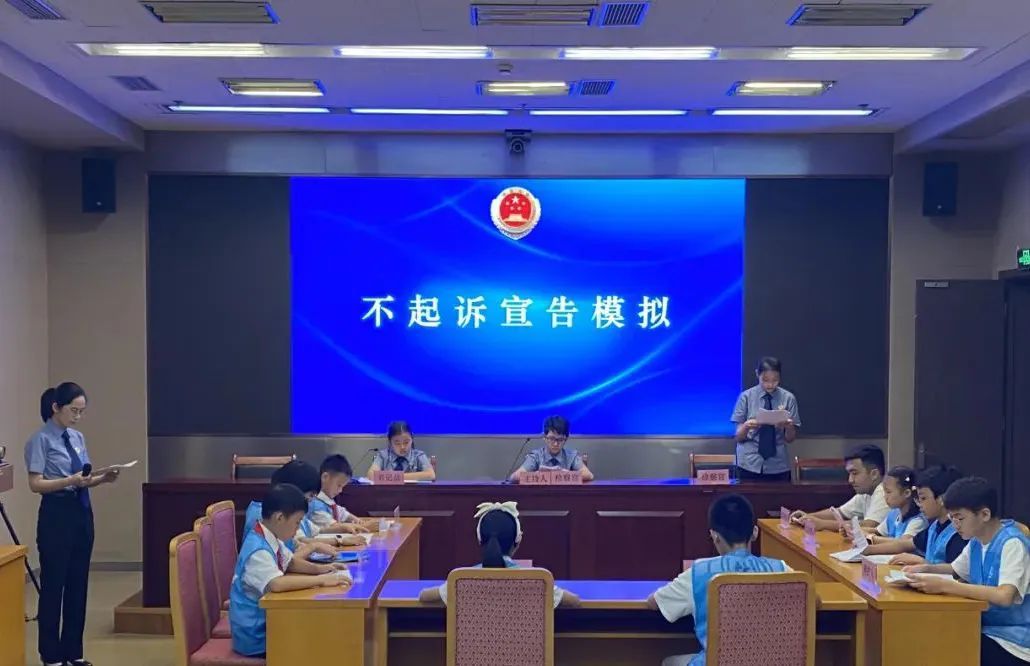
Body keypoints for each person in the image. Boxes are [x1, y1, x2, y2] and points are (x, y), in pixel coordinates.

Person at [25, 383, 121, 666]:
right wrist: (70, 480)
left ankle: (73, 652)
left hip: (81, 511)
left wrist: (103, 478)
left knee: (78, 584)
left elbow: (83, 478)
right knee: (54, 585)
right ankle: (51, 655)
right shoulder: (40, 440)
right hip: (56, 513)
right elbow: (35, 484)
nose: (77, 417)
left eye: (82, 411)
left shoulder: (77, 437)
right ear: (56, 407)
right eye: (73, 410)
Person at [647, 494, 789, 666]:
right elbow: (811, 600)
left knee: (669, 662)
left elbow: (654, 602)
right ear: (754, 532)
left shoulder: (699, 572)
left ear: (715, 536)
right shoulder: (782, 569)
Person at [903, 477, 1030, 666]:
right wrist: (925, 568)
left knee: (947, 648)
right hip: (987, 628)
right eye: (952, 518)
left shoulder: (1012, 543)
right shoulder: (976, 541)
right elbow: (955, 570)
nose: (955, 524)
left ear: (984, 514)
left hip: (1015, 641)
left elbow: (1005, 596)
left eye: (960, 518)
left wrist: (946, 586)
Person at [230, 484, 352, 657]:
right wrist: (322, 581)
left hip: (269, 622)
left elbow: (291, 563)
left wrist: (323, 569)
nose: (298, 527)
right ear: (280, 518)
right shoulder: (257, 549)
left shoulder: (269, 536)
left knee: (323, 632)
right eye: (297, 522)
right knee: (320, 640)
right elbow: (276, 584)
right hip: (256, 635)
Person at [418, 501, 580, 608]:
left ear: (480, 539)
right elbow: (574, 601)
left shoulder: (461, 580)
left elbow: (425, 596)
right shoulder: (536, 581)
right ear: (517, 541)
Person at [243, 460, 366, 550]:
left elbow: (317, 530)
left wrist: (343, 529)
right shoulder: (265, 514)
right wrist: (340, 541)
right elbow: (299, 541)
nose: (311, 501)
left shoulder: (292, 509)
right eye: (310, 496)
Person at [731, 357, 800, 481]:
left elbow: (790, 439)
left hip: (778, 464)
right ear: (757, 374)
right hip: (748, 463)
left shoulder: (788, 398)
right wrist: (746, 426)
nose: (770, 384)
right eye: (765, 380)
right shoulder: (746, 397)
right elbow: (738, 437)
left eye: (775, 380)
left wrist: (788, 426)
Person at [789, 444, 888, 532]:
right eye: (849, 474)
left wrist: (822, 524)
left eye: (855, 473)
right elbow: (839, 513)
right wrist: (808, 516)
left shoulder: (884, 492)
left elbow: (868, 526)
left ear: (874, 474)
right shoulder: (866, 492)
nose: (850, 480)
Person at [890, 465, 967, 566]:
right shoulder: (934, 526)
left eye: (923, 498)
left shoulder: (958, 533)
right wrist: (870, 548)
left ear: (941, 499)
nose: (920, 504)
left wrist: (922, 562)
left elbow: (955, 571)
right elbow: (906, 544)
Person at [861, 466, 927, 555]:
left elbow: (902, 543)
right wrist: (857, 531)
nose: (885, 496)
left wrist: (871, 538)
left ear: (907, 493)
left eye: (888, 492)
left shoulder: (918, 521)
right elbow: (877, 531)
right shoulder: (894, 513)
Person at [510, 415, 594, 482]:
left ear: (566, 439)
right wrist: (539, 475)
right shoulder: (536, 456)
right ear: (544, 437)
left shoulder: (572, 456)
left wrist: (565, 474)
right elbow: (514, 477)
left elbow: (589, 475)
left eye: (560, 439)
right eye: (552, 438)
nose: (556, 443)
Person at [308, 454, 375, 533]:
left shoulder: (329, 502)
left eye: (342, 487)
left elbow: (343, 513)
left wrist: (358, 521)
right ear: (325, 477)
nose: (340, 490)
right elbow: (333, 526)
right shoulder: (315, 505)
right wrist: (364, 526)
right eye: (339, 485)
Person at [368, 421, 436, 481]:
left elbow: (431, 475)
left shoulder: (418, 455)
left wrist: (397, 477)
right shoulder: (383, 456)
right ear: (390, 442)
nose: (402, 447)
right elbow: (371, 475)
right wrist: (409, 477)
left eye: (406, 442)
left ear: (412, 439)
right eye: (397, 443)